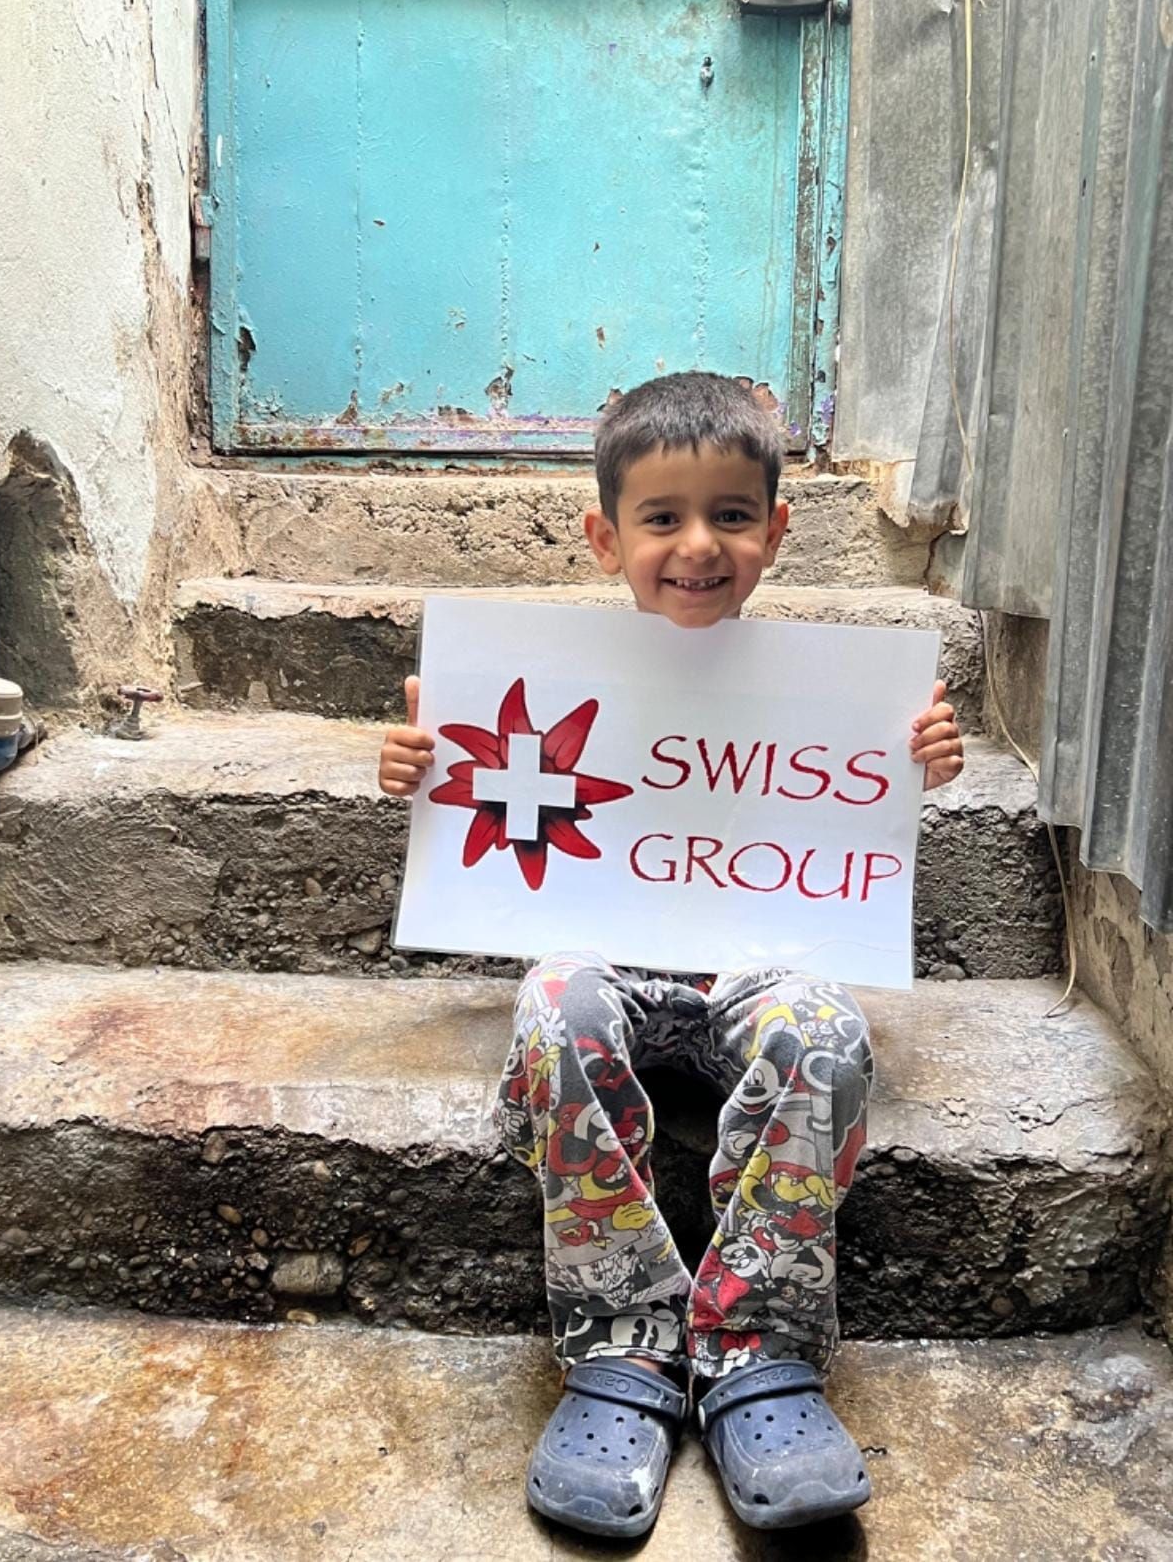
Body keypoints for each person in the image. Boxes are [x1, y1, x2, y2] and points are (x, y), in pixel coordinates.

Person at [377, 372, 964, 1538]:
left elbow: (850, 829)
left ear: (776, 531)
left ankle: (758, 1344)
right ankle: (623, 1344)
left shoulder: (829, 699)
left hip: (764, 958)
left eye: (732, 515)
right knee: (555, 1010)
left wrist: (923, 763)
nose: (698, 545)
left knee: (826, 1031)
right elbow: (486, 821)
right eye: (662, 517)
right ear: (606, 537)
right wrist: (417, 769)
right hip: (611, 954)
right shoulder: (538, 683)